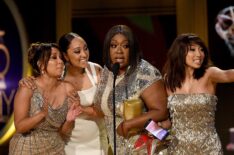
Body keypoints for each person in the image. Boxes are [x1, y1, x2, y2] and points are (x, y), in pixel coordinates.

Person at [93, 24, 169, 155]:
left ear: (132, 48)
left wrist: (128, 124)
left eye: (125, 46)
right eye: (113, 45)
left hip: (142, 147)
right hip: (113, 147)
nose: (119, 51)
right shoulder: (107, 71)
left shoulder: (145, 72)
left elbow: (161, 111)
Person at [162, 33, 234, 154]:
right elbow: (167, 120)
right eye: (192, 50)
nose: (199, 54)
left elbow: (228, 75)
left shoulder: (209, 74)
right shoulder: (168, 80)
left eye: (201, 50)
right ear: (179, 52)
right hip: (178, 149)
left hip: (209, 148)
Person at [9, 42, 81, 155]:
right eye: (54, 57)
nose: (60, 61)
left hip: (56, 149)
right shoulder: (28, 88)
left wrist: (69, 120)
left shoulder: (69, 89)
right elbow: (20, 127)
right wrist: (41, 114)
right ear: (41, 65)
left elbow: (65, 133)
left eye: (61, 58)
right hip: (26, 149)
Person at [58, 32, 106, 155]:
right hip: (71, 147)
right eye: (77, 51)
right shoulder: (58, 79)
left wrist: (81, 108)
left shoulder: (96, 70)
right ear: (65, 55)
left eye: (85, 48)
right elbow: (58, 128)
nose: (84, 54)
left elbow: (105, 109)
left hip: (99, 144)